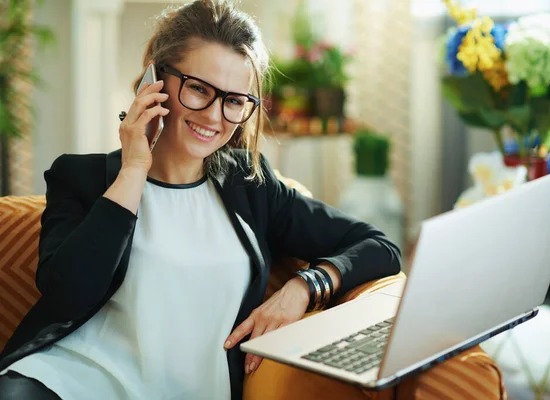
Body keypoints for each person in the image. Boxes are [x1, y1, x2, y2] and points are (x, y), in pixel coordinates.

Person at [0, 1, 401, 399]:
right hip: (63, 384)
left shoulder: (252, 184)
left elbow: (379, 246)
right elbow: (67, 295)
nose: (214, 116)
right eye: (198, 89)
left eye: (233, 100)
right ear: (154, 81)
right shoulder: (80, 178)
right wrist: (134, 169)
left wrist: (304, 286)